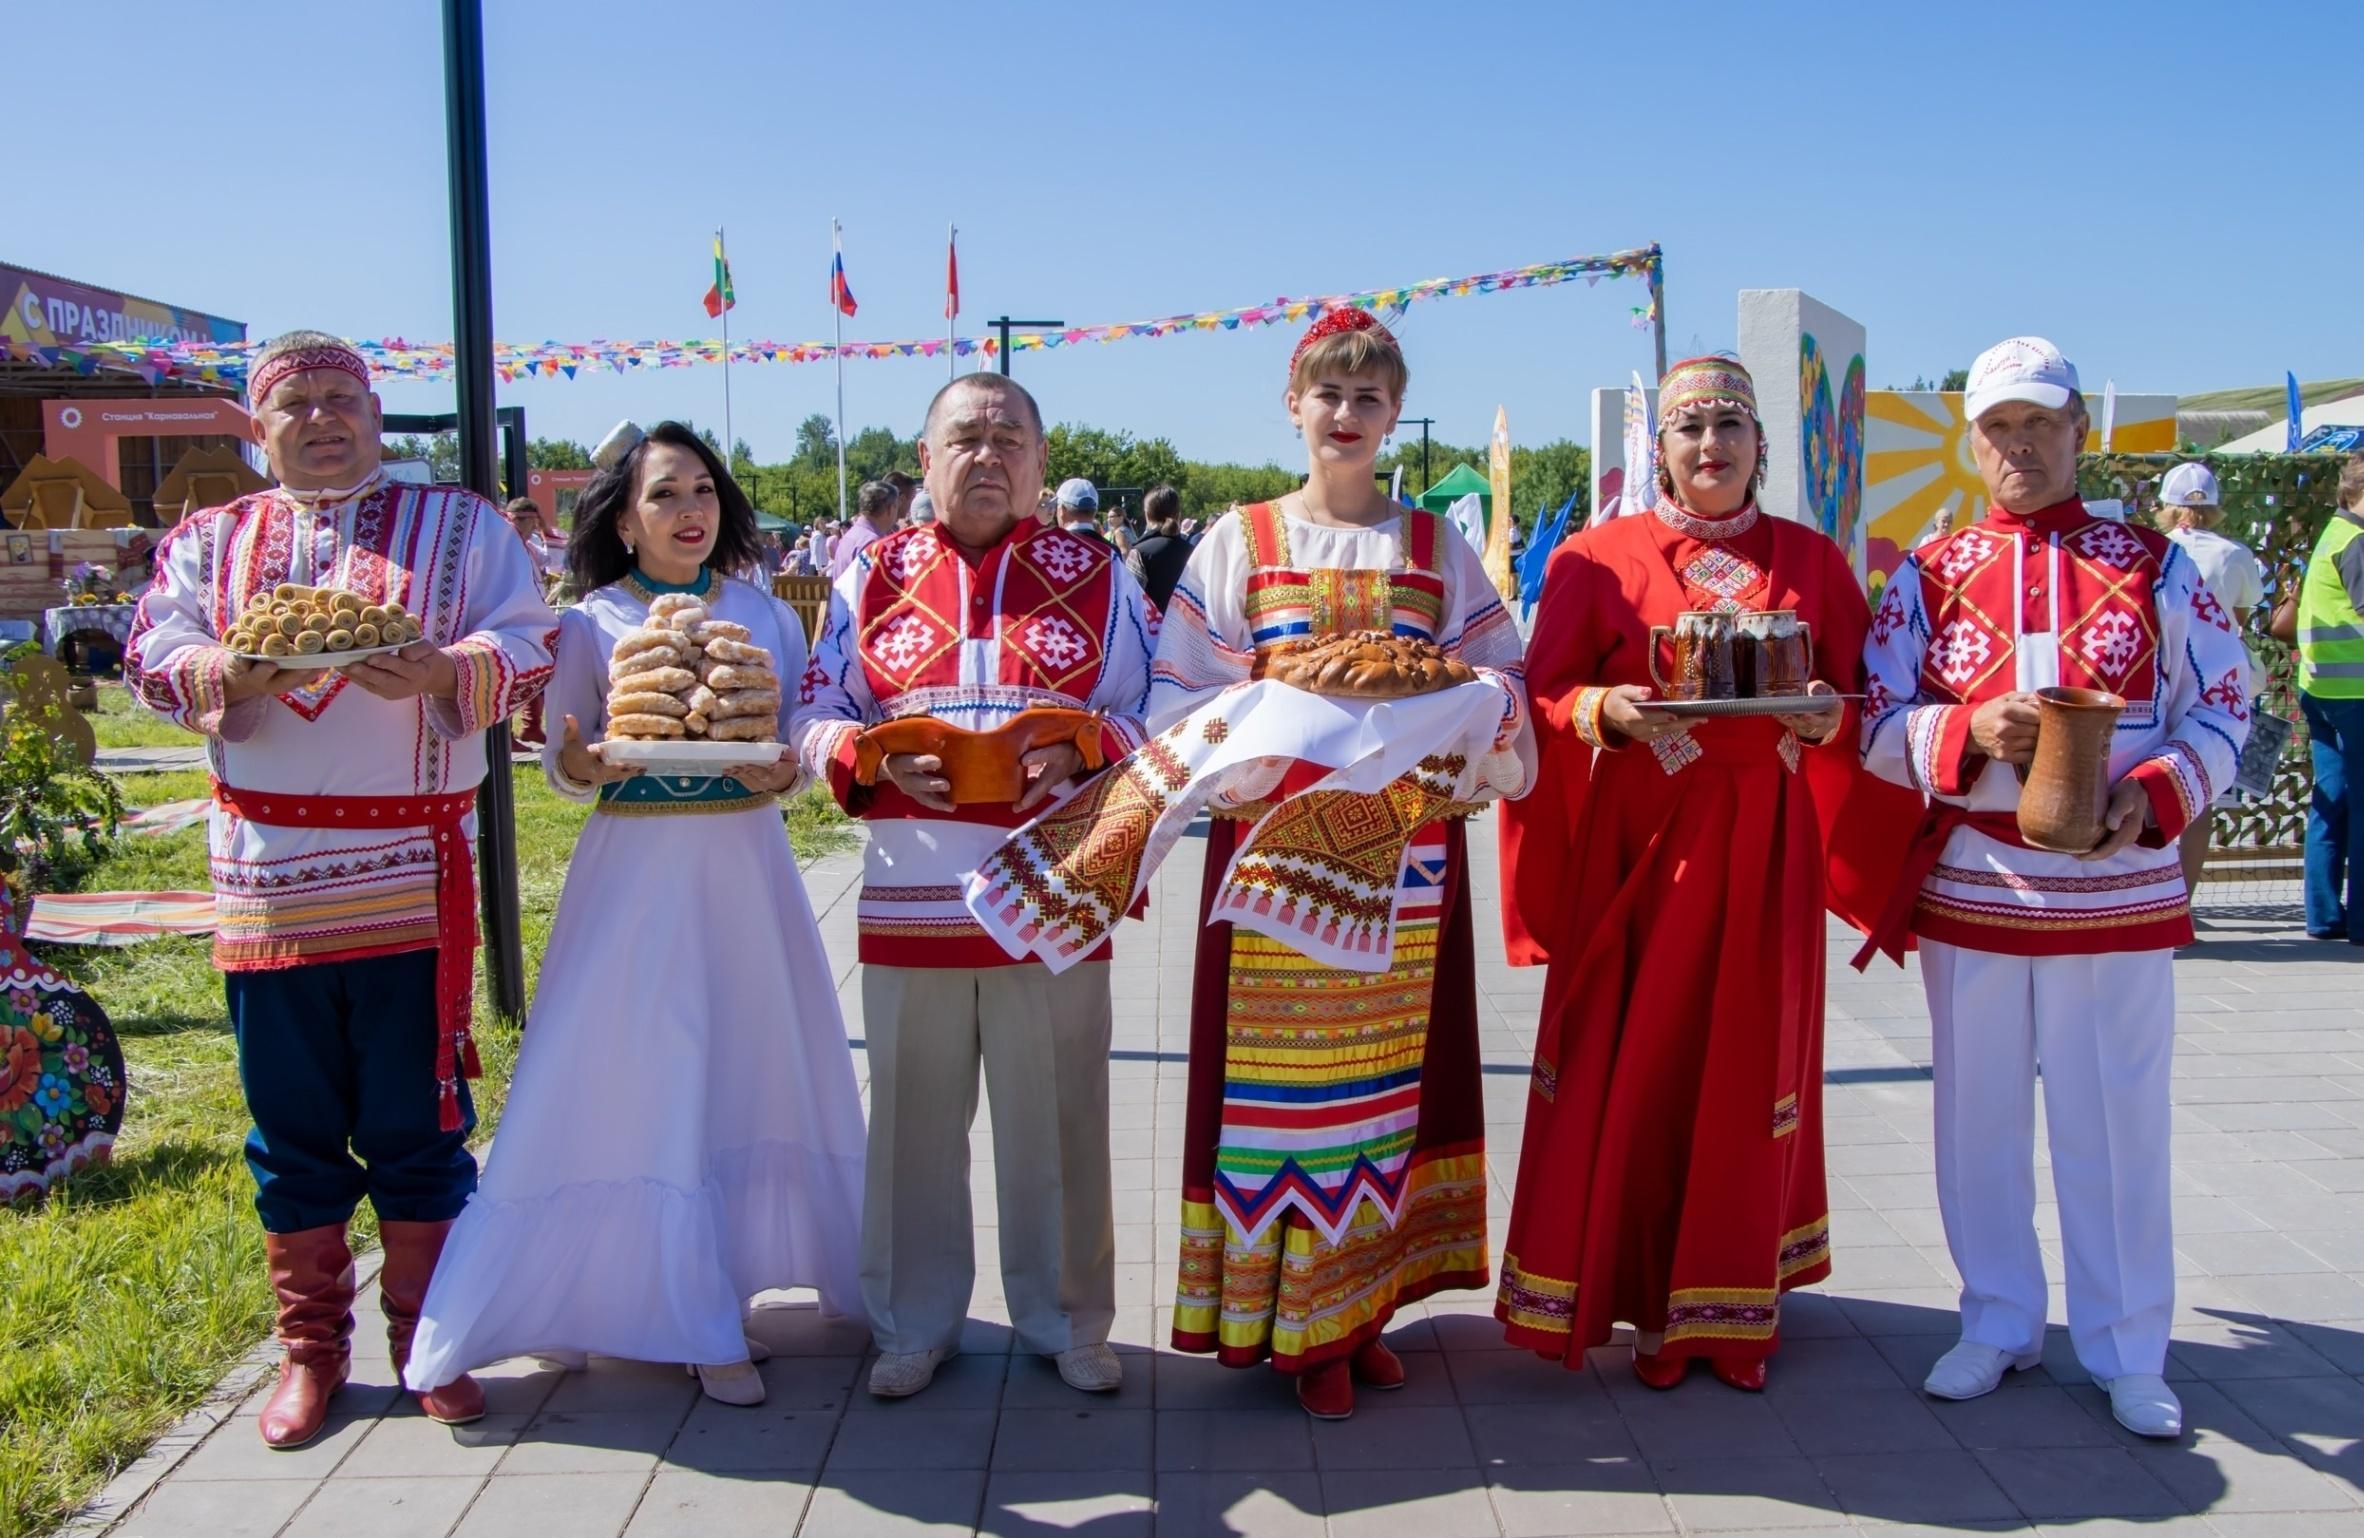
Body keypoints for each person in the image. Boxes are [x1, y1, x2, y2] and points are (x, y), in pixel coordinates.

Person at [124, 331, 558, 1449]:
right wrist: (223, 671)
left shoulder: (463, 523)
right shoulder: (210, 539)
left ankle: (427, 1340)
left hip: (409, 869)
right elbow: (149, 652)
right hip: (268, 878)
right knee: (292, 1125)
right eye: (296, 404)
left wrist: (445, 668)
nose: (322, 419)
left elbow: (529, 640)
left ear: (373, 412)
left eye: (341, 399)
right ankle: (311, 1352)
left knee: (417, 1121)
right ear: (257, 429)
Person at [403, 422, 864, 1408]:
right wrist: (579, 760)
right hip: (636, 874)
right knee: (640, 1072)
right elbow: (567, 762)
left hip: (744, 868)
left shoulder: (764, 613)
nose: (689, 510)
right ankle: (669, 1314)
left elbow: (787, 744)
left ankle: (720, 1287)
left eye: (703, 489)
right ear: (622, 518)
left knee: (739, 1066)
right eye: (663, 493)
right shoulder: (591, 623)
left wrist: (785, 771)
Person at [1857, 336, 2249, 1438]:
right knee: (1975, 1113)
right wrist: (1965, 728)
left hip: (2118, 886)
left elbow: (2227, 702)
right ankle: (1998, 1319)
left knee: (2117, 1120)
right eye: (1998, 427)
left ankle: (2130, 1347)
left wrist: (2158, 792)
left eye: (2038, 423)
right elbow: (1874, 718)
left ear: (2080, 429)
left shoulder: (2158, 565)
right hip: (1976, 882)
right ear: (1972, 443)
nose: (2018, 445)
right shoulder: (1929, 572)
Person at [1147, 311, 1530, 1420]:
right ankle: (1294, 1327)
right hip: (1276, 856)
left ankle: (1361, 1314)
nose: (1348, 414)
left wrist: (1463, 716)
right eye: (1330, 394)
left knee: (1382, 1082)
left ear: (1394, 413)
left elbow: (1505, 676)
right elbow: (1177, 691)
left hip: (1406, 854)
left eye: (1369, 397)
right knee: (1288, 1094)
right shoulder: (1242, 538)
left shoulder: (1436, 546)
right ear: (1295, 406)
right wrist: (1266, 731)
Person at [1497, 356, 1900, 1392]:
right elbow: (1538, 695)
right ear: (1662, 448)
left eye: (1730, 425)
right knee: (1644, 1059)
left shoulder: (1812, 558)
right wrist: (1604, 710)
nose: (1711, 445)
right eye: (1690, 428)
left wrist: (1830, 716)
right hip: (1641, 850)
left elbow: (1868, 696)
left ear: (1761, 442)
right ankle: (1638, 1293)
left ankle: (1729, 1307)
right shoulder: (1597, 557)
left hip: (1766, 846)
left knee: (1748, 1066)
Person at [792, 372, 1155, 1399]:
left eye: (1008, 439)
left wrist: (1090, 746)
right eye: (965, 438)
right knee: (912, 1122)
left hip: (1055, 891)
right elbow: (813, 709)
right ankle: (911, 1322)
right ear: (926, 459)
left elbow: (1162, 708)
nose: (987, 456)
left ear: (1041, 459)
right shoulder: (869, 574)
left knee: (1063, 1118)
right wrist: (866, 754)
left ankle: (1069, 1318)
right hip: (913, 896)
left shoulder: (1104, 575)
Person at [2153, 462, 2266, 901]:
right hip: (2214, 684)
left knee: (2150, 784)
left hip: (2159, 679)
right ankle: (2184, 901)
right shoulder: (2234, 554)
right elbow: (2238, 618)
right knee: (2199, 792)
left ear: (2166, 505)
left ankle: (2150, 894)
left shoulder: (2156, 550)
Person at [2297, 451, 2364, 942]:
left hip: (2321, 688)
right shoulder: (2357, 542)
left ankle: (2323, 914)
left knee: (2332, 800)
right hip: (2356, 692)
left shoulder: (2334, 533)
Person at [1127, 484, 1192, 609]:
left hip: (1150, 621)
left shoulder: (1139, 552)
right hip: (1184, 621)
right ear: (1178, 514)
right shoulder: (1194, 552)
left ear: (1147, 514)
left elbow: (1130, 601)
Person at [830, 483, 898, 581]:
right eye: (896, 506)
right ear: (890, 509)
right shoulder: (873, 543)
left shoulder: (851, 535)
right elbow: (876, 585)